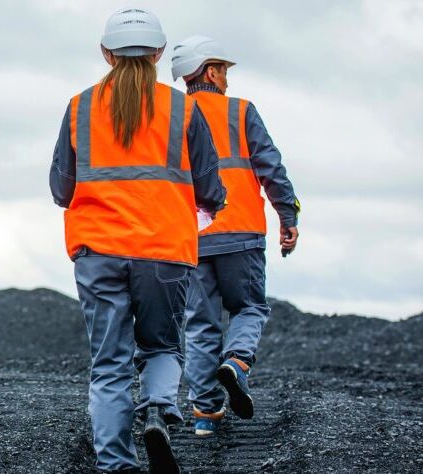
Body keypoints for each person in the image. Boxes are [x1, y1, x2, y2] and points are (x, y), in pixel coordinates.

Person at [50, 9, 226, 473]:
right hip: (165, 250)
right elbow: (211, 189)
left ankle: (116, 465)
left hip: (98, 250)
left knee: (109, 364)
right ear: (160, 53)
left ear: (106, 53)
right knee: (163, 347)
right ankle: (156, 407)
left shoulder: (79, 107)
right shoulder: (184, 109)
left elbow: (60, 189)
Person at [170, 36, 300, 436]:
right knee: (248, 308)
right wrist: (287, 213)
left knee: (201, 324)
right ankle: (237, 363)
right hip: (242, 232)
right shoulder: (241, 111)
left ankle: (205, 415)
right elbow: (270, 167)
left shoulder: (171, 115)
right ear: (211, 71)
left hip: (190, 236)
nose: (226, 78)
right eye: (224, 69)